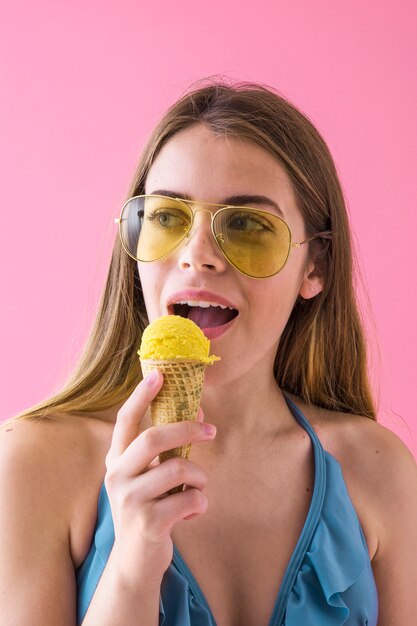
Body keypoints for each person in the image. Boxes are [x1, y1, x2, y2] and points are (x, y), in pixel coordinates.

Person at [1, 80, 416, 626]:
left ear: (315, 267)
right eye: (167, 217)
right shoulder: (35, 465)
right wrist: (132, 567)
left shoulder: (379, 471)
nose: (197, 256)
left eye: (247, 225)